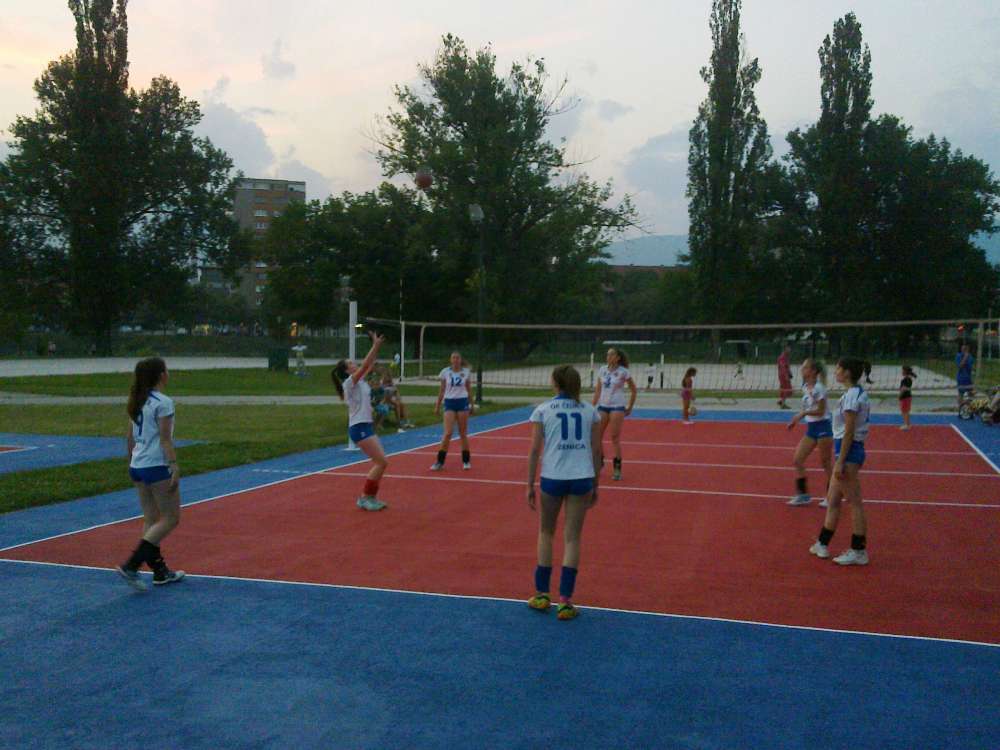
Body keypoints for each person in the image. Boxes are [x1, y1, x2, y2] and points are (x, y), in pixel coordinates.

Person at [526, 365, 603, 621]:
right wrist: (596, 483)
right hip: (581, 477)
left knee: (546, 532)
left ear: (556, 383)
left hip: (553, 477)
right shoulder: (590, 411)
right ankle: (566, 601)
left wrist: (529, 484)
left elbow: (534, 451)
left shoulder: (543, 410)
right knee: (572, 538)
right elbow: (596, 452)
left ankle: (542, 594)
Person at [116, 357, 185, 590]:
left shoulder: (137, 400)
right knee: (171, 518)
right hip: (156, 465)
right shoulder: (163, 402)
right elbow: (165, 439)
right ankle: (132, 565)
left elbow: (130, 437)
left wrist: (131, 463)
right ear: (161, 375)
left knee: (151, 519)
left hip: (138, 464)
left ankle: (159, 571)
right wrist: (173, 465)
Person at [809, 357, 872, 566]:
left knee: (855, 502)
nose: (835, 372)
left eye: (838, 369)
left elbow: (849, 431)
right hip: (846, 451)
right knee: (833, 500)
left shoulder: (853, 396)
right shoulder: (852, 393)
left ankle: (859, 550)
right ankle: (822, 543)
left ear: (847, 372)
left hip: (849, 451)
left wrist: (840, 461)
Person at [332, 332, 390, 511]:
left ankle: (370, 497)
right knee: (381, 462)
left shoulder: (361, 382)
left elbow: (369, 364)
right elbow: (365, 365)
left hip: (366, 426)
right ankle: (365, 497)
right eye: (350, 363)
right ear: (346, 371)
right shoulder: (349, 383)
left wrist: (375, 346)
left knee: (382, 462)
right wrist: (375, 345)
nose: (353, 364)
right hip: (358, 428)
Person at [786, 359, 833, 507]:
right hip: (812, 429)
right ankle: (803, 495)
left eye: (805, 367)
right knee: (797, 460)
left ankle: (832, 496)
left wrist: (803, 413)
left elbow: (821, 411)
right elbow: (807, 407)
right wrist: (796, 419)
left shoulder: (819, 388)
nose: (802, 369)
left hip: (823, 427)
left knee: (825, 463)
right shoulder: (805, 387)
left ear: (813, 371)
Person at [592, 347, 637, 481]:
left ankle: (617, 468)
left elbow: (634, 390)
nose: (608, 357)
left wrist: (630, 406)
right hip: (603, 406)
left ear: (617, 358)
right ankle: (599, 461)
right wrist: (592, 407)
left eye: (611, 354)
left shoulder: (624, 372)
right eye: (608, 354)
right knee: (596, 436)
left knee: (614, 437)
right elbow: (598, 390)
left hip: (617, 406)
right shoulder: (602, 370)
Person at [431, 351, 474, 471]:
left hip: (462, 402)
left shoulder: (466, 372)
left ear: (460, 360)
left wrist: (472, 405)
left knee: (463, 433)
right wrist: (437, 405)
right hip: (449, 402)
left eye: (457, 358)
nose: (455, 360)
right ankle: (440, 462)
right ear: (450, 360)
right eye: (453, 358)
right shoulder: (445, 372)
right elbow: (442, 390)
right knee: (448, 433)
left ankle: (466, 461)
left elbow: (469, 389)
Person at [956, 344, 974, 408]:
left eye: (966, 348)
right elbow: (960, 366)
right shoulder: (959, 355)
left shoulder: (970, 356)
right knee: (961, 393)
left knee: (971, 393)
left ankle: (969, 406)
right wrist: (965, 357)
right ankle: (960, 407)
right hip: (961, 378)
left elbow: (971, 367)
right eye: (963, 348)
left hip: (968, 377)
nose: (964, 349)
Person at [899, 365, 916, 431]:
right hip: (908, 397)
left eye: (902, 371)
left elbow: (903, 388)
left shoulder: (905, 379)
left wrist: (900, 395)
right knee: (906, 411)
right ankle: (908, 424)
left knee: (904, 411)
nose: (901, 372)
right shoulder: (909, 379)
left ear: (905, 372)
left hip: (905, 397)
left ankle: (906, 425)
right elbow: (907, 388)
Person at [777, 345, 793, 409]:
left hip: (785, 375)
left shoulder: (786, 357)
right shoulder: (782, 357)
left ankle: (781, 401)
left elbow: (787, 366)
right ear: (785, 349)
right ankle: (783, 404)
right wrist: (786, 375)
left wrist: (790, 373)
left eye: (790, 349)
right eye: (788, 349)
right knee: (786, 389)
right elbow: (782, 367)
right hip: (783, 375)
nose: (790, 350)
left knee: (786, 389)